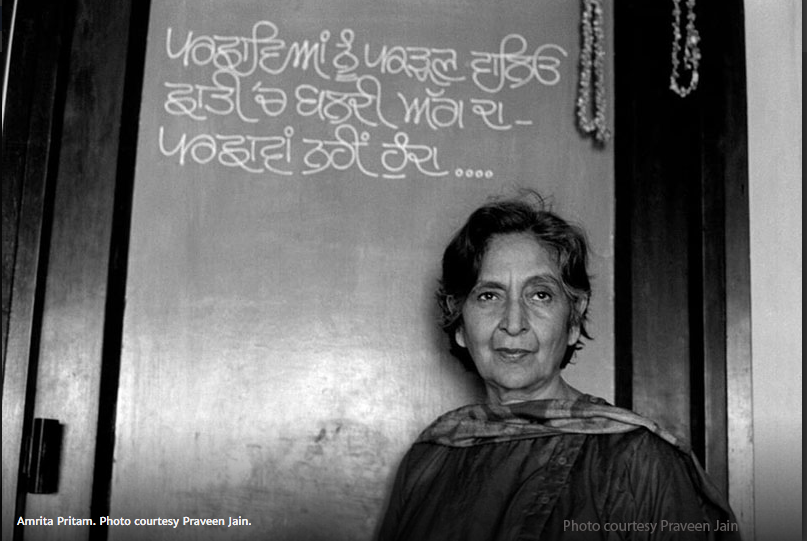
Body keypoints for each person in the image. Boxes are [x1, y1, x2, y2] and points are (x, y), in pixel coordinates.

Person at [378, 192, 739, 540]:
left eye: (540, 295)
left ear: (573, 320)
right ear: (458, 322)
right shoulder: (429, 460)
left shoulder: (639, 461)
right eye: (489, 295)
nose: (513, 323)